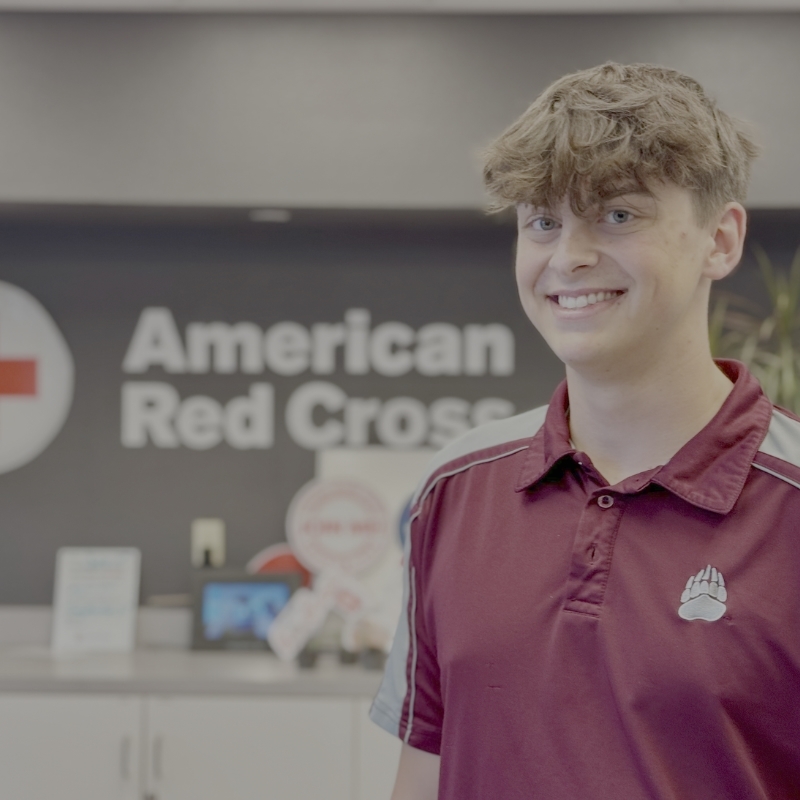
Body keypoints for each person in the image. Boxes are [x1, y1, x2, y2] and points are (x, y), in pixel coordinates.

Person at [369, 62, 800, 799]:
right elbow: (427, 768)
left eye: (618, 215)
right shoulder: (454, 488)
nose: (567, 257)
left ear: (720, 241)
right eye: (542, 221)